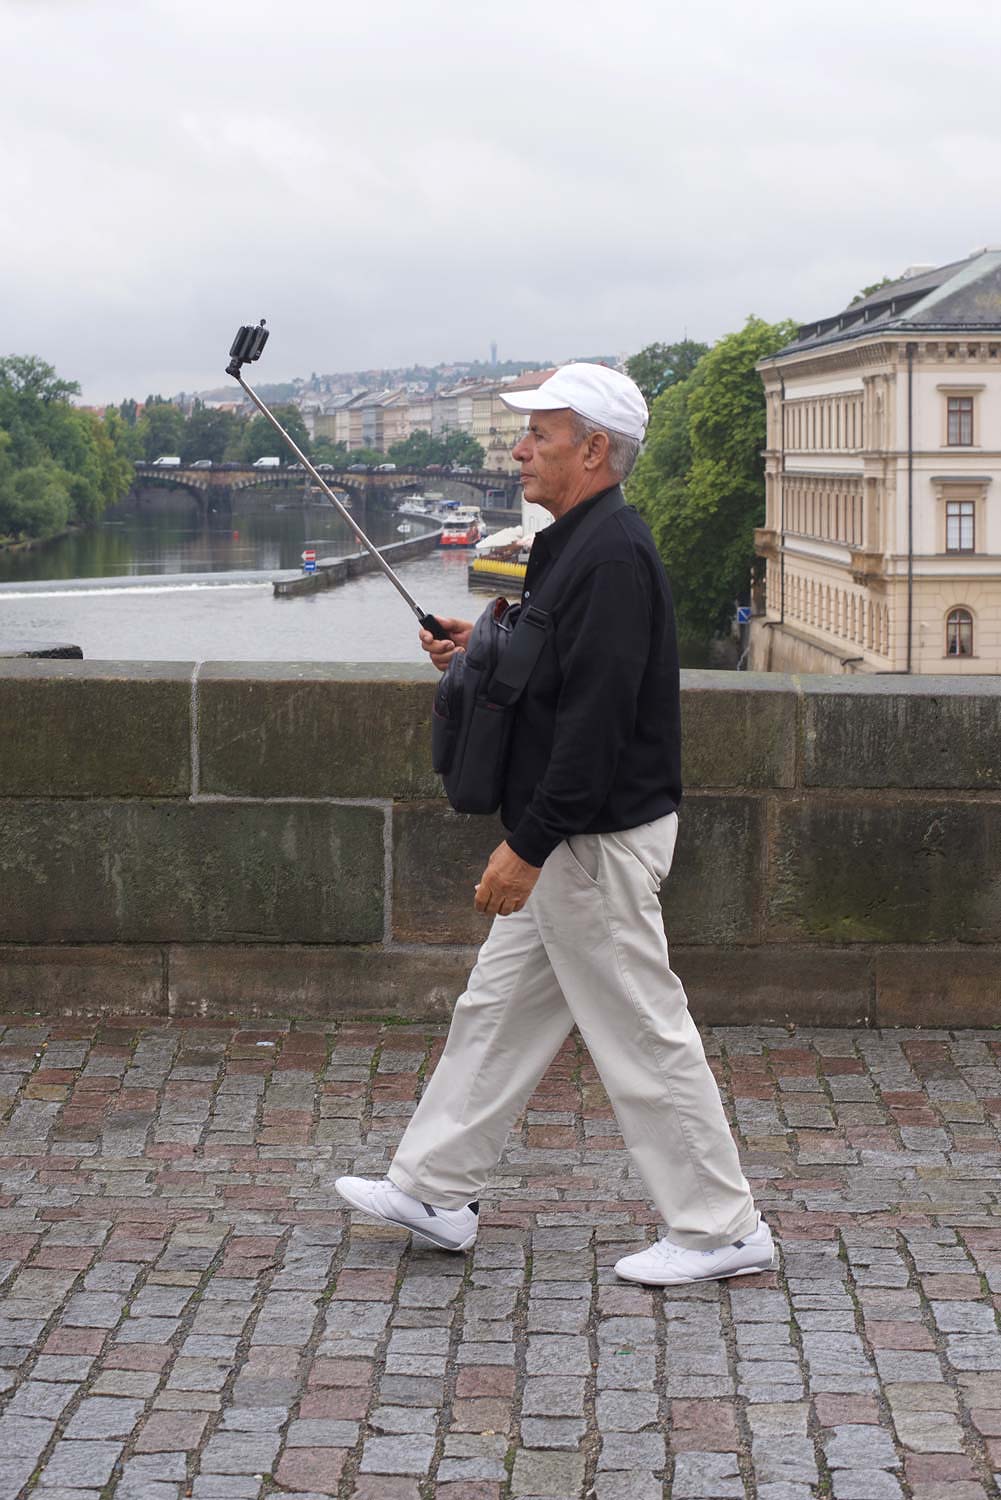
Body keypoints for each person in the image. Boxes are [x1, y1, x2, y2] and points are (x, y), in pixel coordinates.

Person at [336, 364, 772, 1286]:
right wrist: (475, 647)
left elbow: (598, 723)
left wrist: (526, 847)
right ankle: (432, 1190)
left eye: (540, 433)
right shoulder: (573, 540)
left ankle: (720, 1227)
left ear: (595, 449)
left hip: (588, 840)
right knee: (494, 1013)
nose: (520, 448)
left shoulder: (610, 552)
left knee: (643, 1032)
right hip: (573, 835)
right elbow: (557, 669)